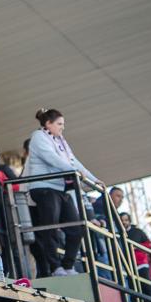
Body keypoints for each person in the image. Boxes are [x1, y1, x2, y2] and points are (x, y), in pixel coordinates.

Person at [23, 108, 101, 277]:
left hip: (59, 188)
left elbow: (74, 161)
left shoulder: (61, 141)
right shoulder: (38, 137)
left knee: (77, 228)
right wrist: (72, 170)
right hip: (43, 187)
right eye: (59, 124)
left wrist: (93, 179)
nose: (62, 127)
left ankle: (67, 265)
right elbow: (52, 158)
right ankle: (55, 267)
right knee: (50, 228)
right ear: (48, 124)